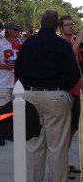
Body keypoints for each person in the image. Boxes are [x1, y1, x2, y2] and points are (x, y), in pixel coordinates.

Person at [15, 10, 81, 182]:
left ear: (42, 22)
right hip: (55, 96)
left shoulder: (28, 43)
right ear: (56, 24)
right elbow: (74, 74)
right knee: (57, 148)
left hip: (30, 95)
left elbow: (18, 70)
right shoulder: (62, 45)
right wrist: (61, 88)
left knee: (34, 146)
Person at [0, 21, 22, 146]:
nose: (18, 32)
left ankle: (13, 132)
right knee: (3, 107)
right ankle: (1, 134)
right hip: (3, 80)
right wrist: (5, 66)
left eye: (18, 30)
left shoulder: (19, 44)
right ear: (9, 30)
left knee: (17, 107)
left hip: (16, 81)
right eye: (16, 30)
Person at [58, 15, 83, 179]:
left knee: (73, 129)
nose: (71, 27)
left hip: (75, 91)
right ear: (61, 28)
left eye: (72, 24)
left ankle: (64, 162)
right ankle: (61, 165)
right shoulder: (62, 43)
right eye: (67, 25)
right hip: (66, 92)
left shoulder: (73, 43)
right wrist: (80, 37)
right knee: (65, 132)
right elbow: (70, 54)